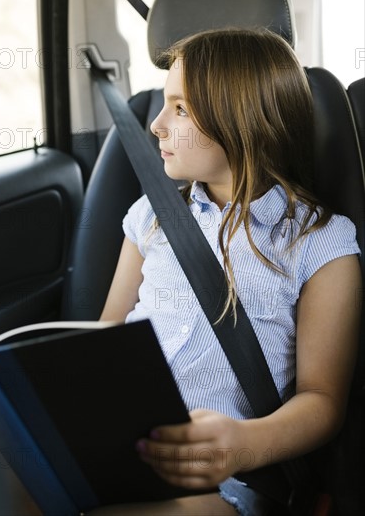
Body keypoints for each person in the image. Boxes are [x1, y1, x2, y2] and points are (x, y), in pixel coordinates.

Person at [95, 29, 362, 515]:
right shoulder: (150, 217)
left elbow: (323, 401)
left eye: (179, 108)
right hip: (117, 448)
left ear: (243, 119)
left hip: (226, 478)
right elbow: (101, 343)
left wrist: (240, 444)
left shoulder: (318, 243)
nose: (155, 124)